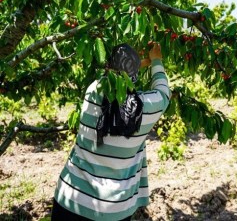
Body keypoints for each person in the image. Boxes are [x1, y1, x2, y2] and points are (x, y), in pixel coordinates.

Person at [51, 42, 170, 220]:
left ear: (108, 68)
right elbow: (163, 92)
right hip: (114, 209)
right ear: (135, 75)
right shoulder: (146, 108)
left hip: (70, 198)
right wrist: (156, 61)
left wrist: (132, 62)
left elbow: (111, 78)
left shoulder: (93, 91)